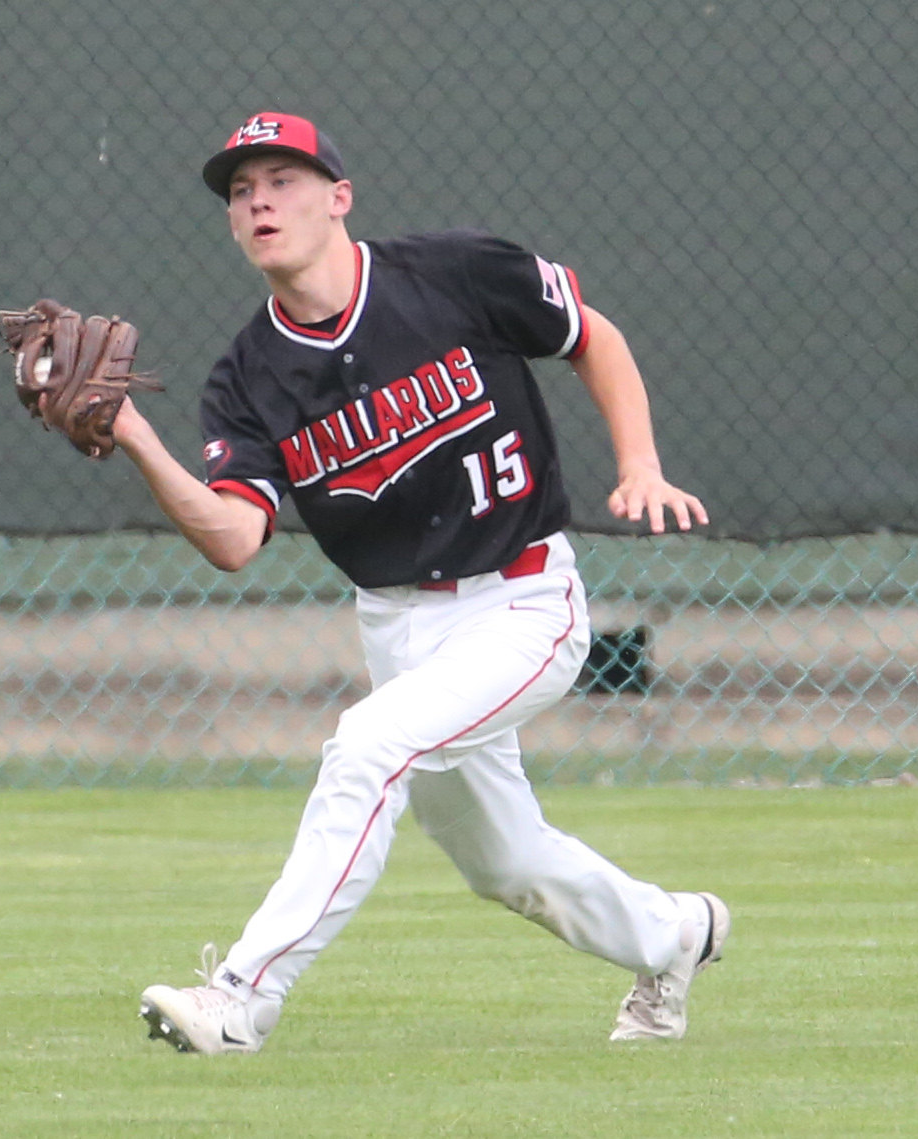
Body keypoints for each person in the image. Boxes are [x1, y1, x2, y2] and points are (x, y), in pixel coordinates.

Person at [119, 112, 728, 1054]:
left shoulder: (452, 272)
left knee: (367, 744)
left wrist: (639, 461)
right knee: (506, 862)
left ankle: (243, 995)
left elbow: (587, 334)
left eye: (282, 179)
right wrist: (131, 433)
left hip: (523, 599)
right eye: (241, 191)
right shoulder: (247, 377)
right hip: (396, 627)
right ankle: (677, 933)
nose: (260, 202)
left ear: (339, 197)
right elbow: (235, 537)